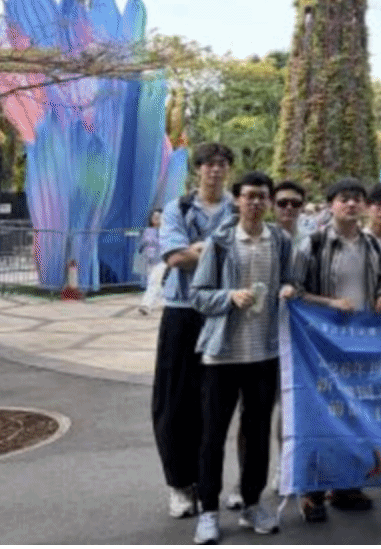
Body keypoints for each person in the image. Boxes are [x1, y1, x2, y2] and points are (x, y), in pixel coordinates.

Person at [190, 171, 295, 544]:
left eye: (262, 196)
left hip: (264, 354)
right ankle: (208, 512)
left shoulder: (279, 241)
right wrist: (229, 297)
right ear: (237, 200)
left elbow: (291, 279)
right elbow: (198, 295)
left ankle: (252, 504)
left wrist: (288, 288)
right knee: (213, 436)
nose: (255, 202)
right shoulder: (219, 242)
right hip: (222, 355)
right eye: (249, 196)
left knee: (257, 434)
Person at [290, 178, 381, 522]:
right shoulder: (313, 243)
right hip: (321, 345)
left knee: (357, 414)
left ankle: (347, 485)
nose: (351, 204)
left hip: (361, 345)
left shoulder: (371, 245)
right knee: (322, 416)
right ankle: (312, 492)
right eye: (344, 199)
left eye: (357, 199)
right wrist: (330, 303)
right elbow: (294, 291)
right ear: (330, 204)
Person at [152, 142, 236, 520]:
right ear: (198, 169)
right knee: (173, 401)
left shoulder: (238, 209)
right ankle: (178, 484)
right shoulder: (179, 208)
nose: (214, 170)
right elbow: (175, 257)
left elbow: (244, 255)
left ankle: (206, 482)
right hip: (182, 312)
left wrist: (200, 249)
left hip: (222, 313)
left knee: (214, 402)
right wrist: (216, 252)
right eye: (208, 164)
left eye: (221, 164)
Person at [137, 209, 166, 315]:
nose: (157, 219)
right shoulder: (147, 231)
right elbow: (141, 245)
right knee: (155, 282)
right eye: (155, 217)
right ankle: (165, 302)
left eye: (159, 217)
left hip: (161, 261)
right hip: (149, 261)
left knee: (153, 282)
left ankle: (146, 305)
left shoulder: (166, 231)